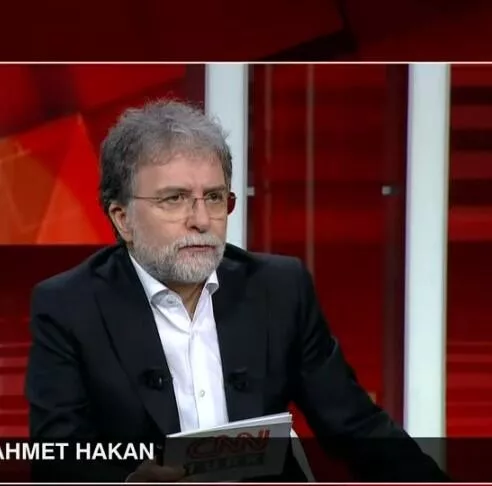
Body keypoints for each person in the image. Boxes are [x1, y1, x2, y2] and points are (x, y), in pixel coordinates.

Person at [24, 100, 448, 482]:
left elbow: (356, 427)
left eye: (213, 198)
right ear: (122, 218)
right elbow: (57, 457)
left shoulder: (279, 288)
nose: (201, 220)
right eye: (174, 199)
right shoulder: (69, 306)